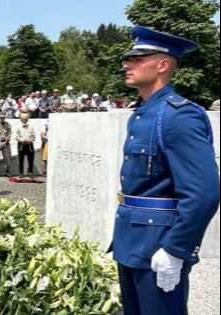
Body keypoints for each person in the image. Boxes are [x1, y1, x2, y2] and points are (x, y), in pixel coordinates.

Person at [111, 26, 220, 315]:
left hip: (159, 245)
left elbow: (203, 193)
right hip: (132, 241)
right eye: (128, 58)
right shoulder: (144, 112)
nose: (126, 63)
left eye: (137, 58)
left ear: (162, 65)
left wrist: (176, 249)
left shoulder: (178, 116)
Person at [16, 111, 36, 177]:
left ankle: (30, 172)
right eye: (23, 119)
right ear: (21, 119)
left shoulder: (31, 127)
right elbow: (17, 136)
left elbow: (33, 136)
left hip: (29, 145)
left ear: (28, 119)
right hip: (21, 145)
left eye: (26, 119)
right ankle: (21, 172)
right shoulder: (18, 127)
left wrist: (30, 140)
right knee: (20, 159)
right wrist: (22, 140)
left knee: (31, 159)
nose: (25, 120)